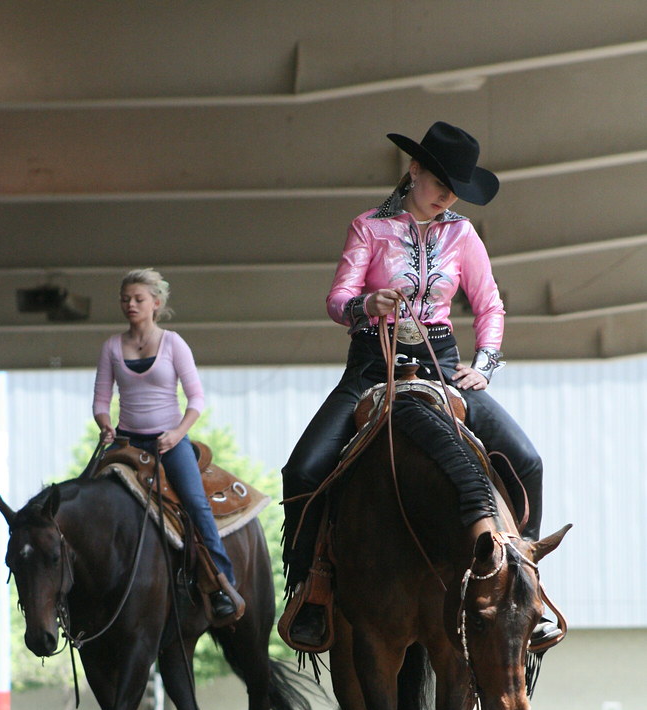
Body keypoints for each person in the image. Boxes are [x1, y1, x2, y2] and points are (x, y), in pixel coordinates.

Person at [281, 121, 558, 650]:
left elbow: (490, 304)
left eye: (454, 190)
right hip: (371, 363)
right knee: (303, 467)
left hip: (444, 363)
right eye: (439, 184)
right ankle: (312, 587)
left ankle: (527, 586)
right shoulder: (368, 227)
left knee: (527, 460)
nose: (447, 197)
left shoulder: (463, 234)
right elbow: (337, 299)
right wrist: (366, 304)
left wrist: (486, 364)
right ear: (414, 170)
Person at [92, 267, 241, 623]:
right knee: (95, 498)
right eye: (125, 299)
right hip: (127, 442)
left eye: (138, 299)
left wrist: (177, 433)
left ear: (155, 303)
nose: (131, 304)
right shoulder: (112, 346)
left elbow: (197, 399)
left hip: (168, 441)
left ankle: (223, 583)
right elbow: (100, 401)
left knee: (194, 503)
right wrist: (105, 424)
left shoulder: (173, 343)